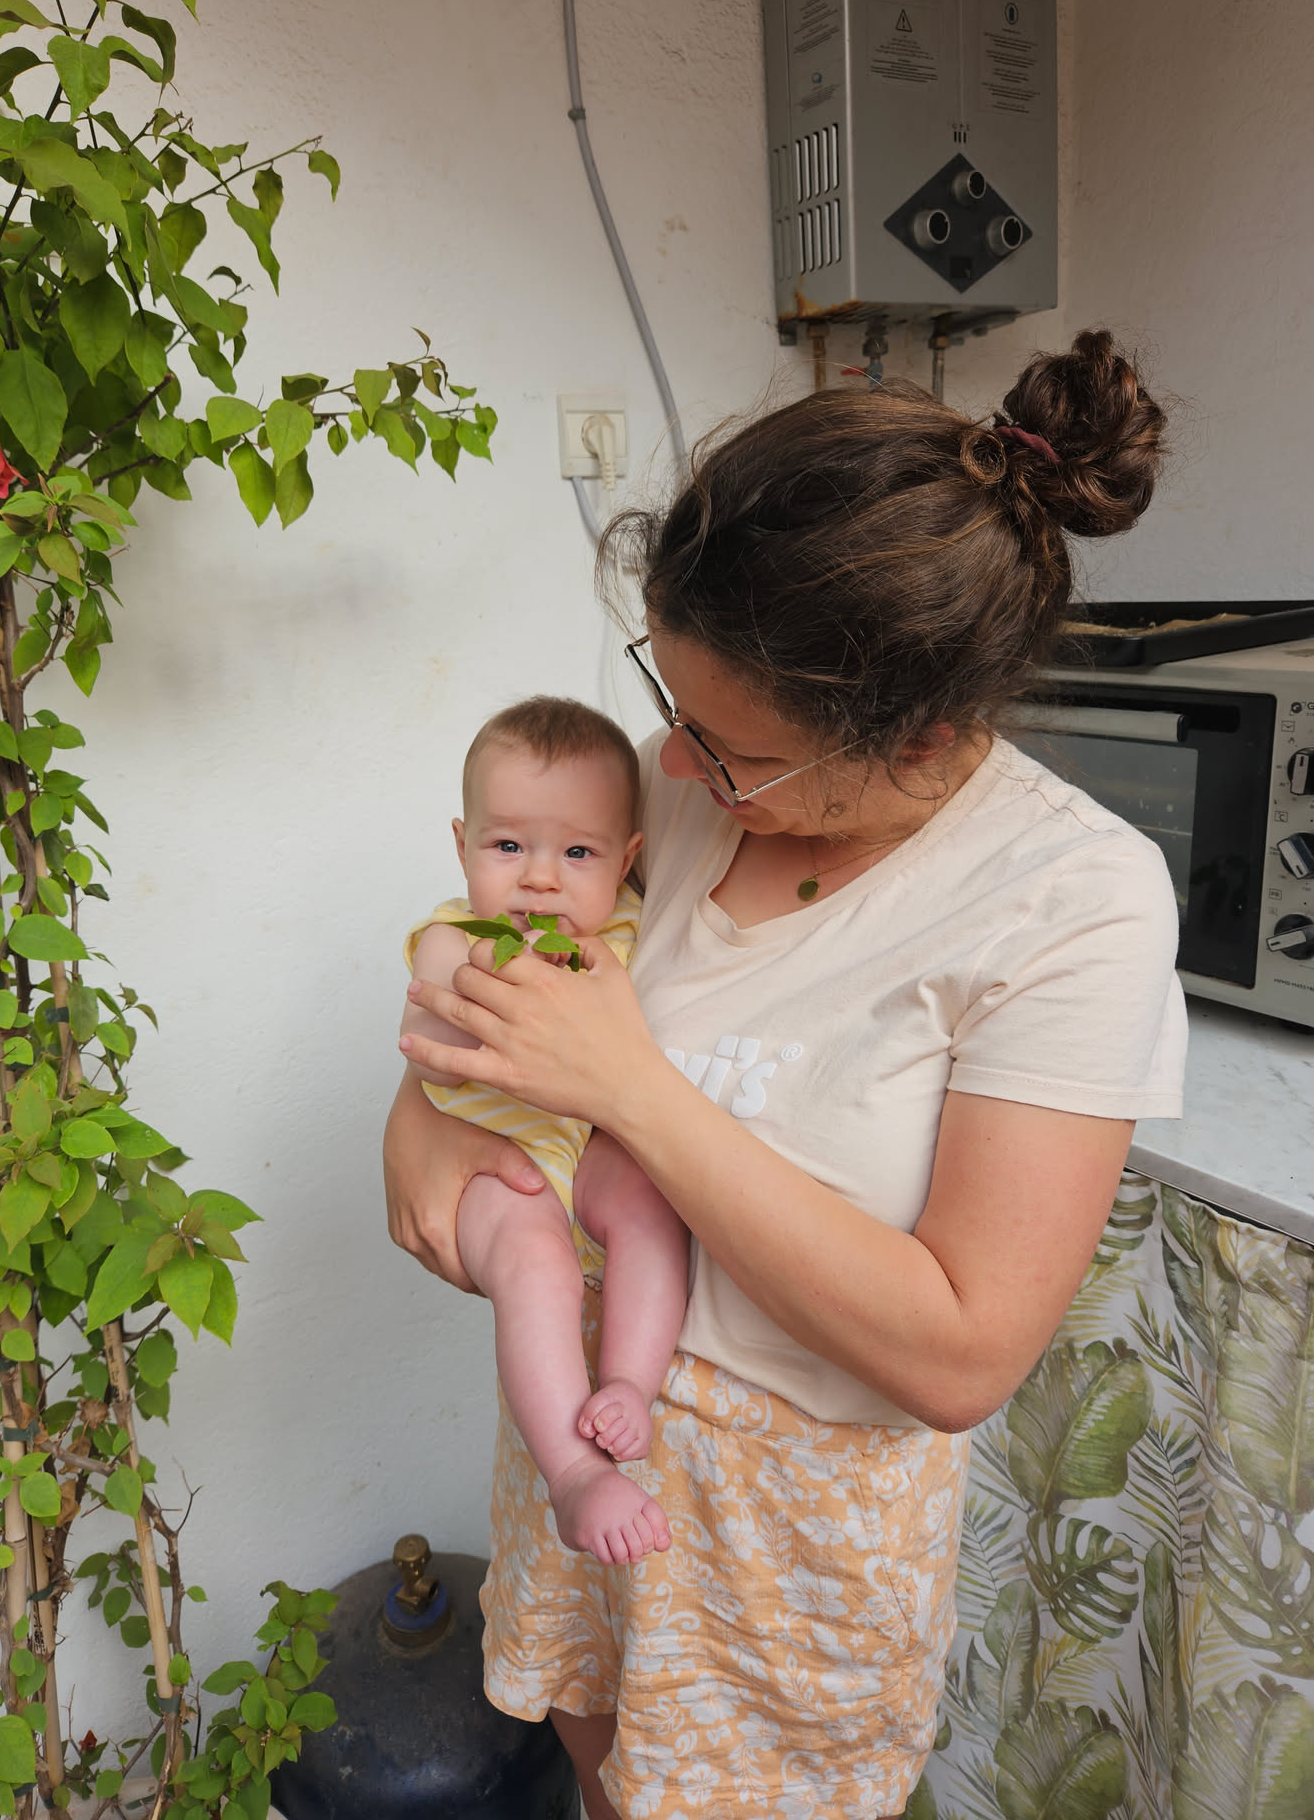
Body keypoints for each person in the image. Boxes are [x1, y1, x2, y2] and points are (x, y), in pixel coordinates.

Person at [387, 330, 1185, 1820]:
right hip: (588, 1455)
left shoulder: (1076, 901)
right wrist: (424, 1125)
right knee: (597, 1783)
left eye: (731, 750)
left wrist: (632, 1091)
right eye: (673, 706)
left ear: (919, 738)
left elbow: (961, 1353)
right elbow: (505, 984)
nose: (679, 767)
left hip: (789, 1539)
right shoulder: (686, 781)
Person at [401, 697, 690, 1567]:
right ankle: (571, 1473)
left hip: (585, 1148)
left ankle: (629, 1382)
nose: (539, 879)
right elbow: (434, 1048)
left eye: (577, 854)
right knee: (537, 1265)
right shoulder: (454, 937)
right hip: (499, 1166)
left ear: (626, 859)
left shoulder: (632, 925)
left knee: (652, 1209)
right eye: (507, 847)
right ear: (463, 847)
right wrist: (504, 973)